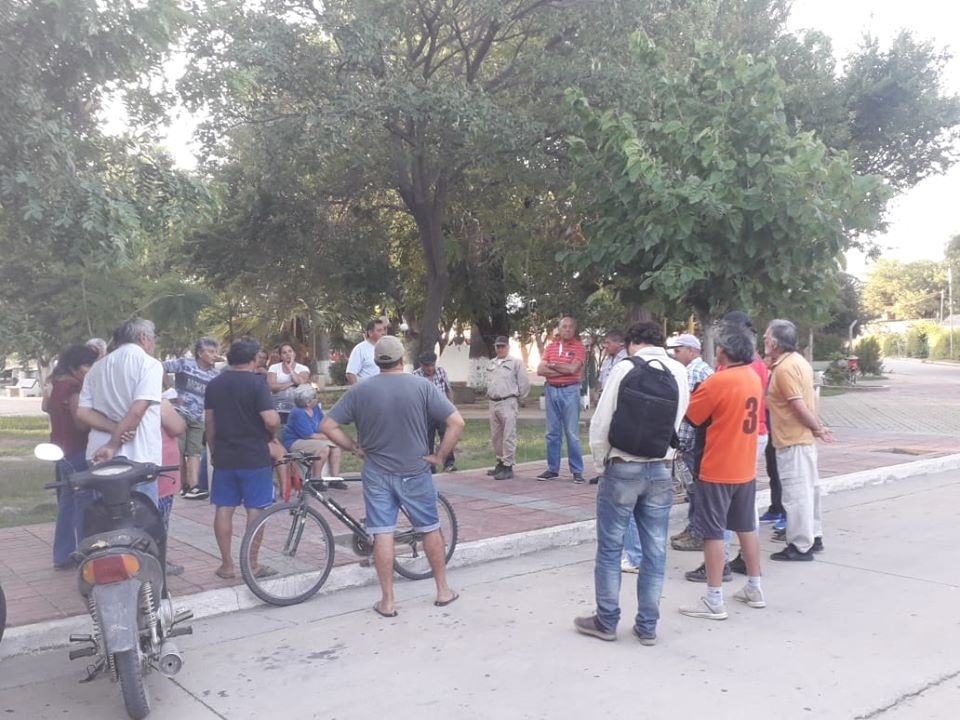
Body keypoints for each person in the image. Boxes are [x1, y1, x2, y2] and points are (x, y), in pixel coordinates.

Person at [321, 335, 463, 617]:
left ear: (376, 362)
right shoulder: (422, 386)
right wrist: (439, 456)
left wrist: (353, 447)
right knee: (429, 528)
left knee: (382, 533)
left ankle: (387, 602)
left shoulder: (360, 391)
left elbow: (327, 425)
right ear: (402, 359)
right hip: (415, 471)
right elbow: (456, 422)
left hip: (376, 473)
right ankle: (442, 591)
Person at [576, 321, 689, 645]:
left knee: (611, 549)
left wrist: (603, 463)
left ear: (632, 342)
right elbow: (678, 418)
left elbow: (601, 423)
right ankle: (647, 626)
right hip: (661, 470)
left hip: (623, 468)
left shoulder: (625, 368)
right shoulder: (679, 371)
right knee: (654, 551)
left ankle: (606, 621)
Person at [678, 325, 765, 621]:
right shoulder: (753, 377)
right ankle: (754, 587)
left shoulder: (719, 381)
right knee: (746, 528)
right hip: (745, 466)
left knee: (713, 532)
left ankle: (714, 598)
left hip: (717, 467)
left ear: (723, 352)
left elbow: (692, 416)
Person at [205, 337, 281, 580]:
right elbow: (270, 420)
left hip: (225, 455)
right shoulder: (257, 384)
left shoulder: (214, 384)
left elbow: (209, 422)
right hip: (254, 455)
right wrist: (273, 433)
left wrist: (214, 450)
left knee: (224, 508)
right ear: (253, 359)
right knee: (255, 509)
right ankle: (252, 564)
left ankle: (226, 565)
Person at [764, 319, 833, 561]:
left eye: (766, 337)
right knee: (809, 491)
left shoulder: (785, 368)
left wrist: (817, 427)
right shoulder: (799, 362)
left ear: (774, 343)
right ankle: (814, 536)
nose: (764, 341)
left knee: (796, 495)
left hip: (792, 439)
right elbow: (811, 398)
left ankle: (800, 545)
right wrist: (816, 427)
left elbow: (798, 405)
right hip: (801, 438)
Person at [76, 318, 164, 504]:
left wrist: (114, 429)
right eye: (153, 339)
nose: (154, 345)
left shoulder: (97, 367)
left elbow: (83, 413)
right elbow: (137, 410)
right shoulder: (149, 364)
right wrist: (114, 443)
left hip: (99, 454)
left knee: (105, 514)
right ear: (143, 338)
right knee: (143, 515)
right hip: (139, 454)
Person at [45, 344, 103, 568]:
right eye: (87, 366)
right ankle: (85, 552)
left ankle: (63, 554)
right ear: (74, 367)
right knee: (83, 503)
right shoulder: (74, 388)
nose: (90, 370)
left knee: (68, 503)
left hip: (62, 451)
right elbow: (81, 423)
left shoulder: (57, 385)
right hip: (77, 450)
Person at [666, 333, 715, 556]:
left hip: (693, 440)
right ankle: (694, 526)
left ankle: (698, 531)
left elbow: (688, 411)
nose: (675, 355)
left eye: (678, 351)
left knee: (695, 489)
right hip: (700, 439)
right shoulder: (703, 370)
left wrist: (681, 442)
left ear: (691, 351)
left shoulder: (692, 372)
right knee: (694, 488)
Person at [163, 337, 220, 500]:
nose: (214, 355)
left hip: (198, 416)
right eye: (211, 352)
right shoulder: (185, 363)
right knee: (179, 450)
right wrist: (169, 390)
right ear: (200, 353)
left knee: (195, 451)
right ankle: (183, 485)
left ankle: (193, 486)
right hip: (179, 412)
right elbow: (159, 366)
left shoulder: (215, 375)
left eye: (215, 352)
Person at [536, 316, 587, 484]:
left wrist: (552, 366)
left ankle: (577, 470)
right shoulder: (551, 347)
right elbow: (540, 370)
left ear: (574, 329)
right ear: (559, 328)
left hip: (570, 390)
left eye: (570, 327)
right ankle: (552, 469)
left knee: (572, 433)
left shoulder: (579, 347)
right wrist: (561, 369)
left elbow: (573, 369)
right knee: (552, 432)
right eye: (564, 326)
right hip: (551, 390)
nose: (567, 329)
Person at [282, 384, 345, 489]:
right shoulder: (298, 413)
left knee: (336, 447)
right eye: (315, 397)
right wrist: (329, 436)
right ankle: (316, 480)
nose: (317, 399)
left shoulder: (315, 408)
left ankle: (335, 479)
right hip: (295, 441)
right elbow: (308, 435)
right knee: (324, 448)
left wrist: (330, 434)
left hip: (313, 439)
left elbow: (323, 423)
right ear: (307, 402)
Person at [485, 336, 530, 481]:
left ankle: (508, 465)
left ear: (508, 347)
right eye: (498, 346)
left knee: (508, 435)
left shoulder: (515, 363)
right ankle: (500, 462)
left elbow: (524, 382)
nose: (500, 349)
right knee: (496, 435)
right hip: (493, 402)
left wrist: (519, 399)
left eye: (503, 346)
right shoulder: (492, 363)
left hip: (508, 401)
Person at [158, 388, 187, 575]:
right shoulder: (158, 401)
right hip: (161, 469)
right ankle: (158, 560)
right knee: (159, 519)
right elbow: (178, 427)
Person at [413, 351, 457, 472]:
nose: (430, 368)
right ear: (421, 365)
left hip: (442, 410)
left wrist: (451, 408)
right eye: (427, 366)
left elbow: (448, 390)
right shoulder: (415, 375)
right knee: (427, 439)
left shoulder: (441, 372)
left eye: (432, 365)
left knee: (446, 436)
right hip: (426, 413)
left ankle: (449, 463)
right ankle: (430, 466)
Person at [267, 342, 310, 414]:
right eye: (284, 352)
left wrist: (290, 368)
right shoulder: (274, 368)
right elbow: (271, 387)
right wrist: (292, 383)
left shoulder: (303, 368)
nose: (288, 354)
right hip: (278, 408)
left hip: (298, 408)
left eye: (290, 351)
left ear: (294, 354)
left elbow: (301, 383)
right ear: (281, 356)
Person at [345, 319, 387, 385]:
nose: (383, 333)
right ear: (370, 333)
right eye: (379, 330)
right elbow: (350, 374)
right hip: (368, 389)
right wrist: (358, 390)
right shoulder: (360, 349)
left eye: (384, 330)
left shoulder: (387, 348)